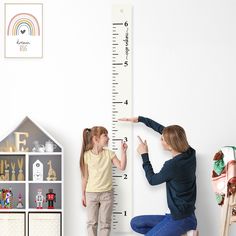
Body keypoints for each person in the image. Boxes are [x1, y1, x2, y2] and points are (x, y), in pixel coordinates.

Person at [119, 116, 197, 236]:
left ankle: (176, 231)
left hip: (182, 219)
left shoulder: (172, 165)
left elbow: (152, 180)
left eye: (162, 139)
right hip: (175, 215)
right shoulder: (190, 153)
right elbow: (163, 129)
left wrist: (144, 155)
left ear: (170, 145)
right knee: (135, 223)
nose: (160, 140)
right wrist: (140, 119)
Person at [80, 126, 128, 236]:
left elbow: (121, 167)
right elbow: (84, 177)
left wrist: (123, 152)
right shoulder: (86, 156)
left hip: (107, 194)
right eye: (105, 135)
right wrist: (83, 195)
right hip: (91, 194)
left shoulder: (109, 153)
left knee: (105, 223)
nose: (108, 138)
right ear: (95, 139)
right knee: (92, 223)